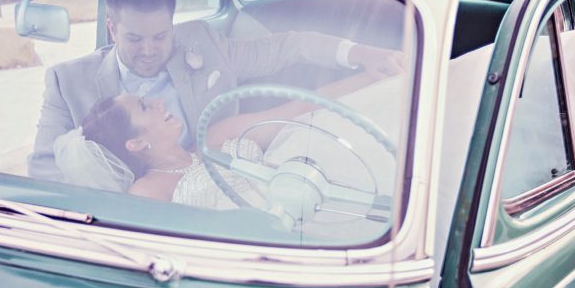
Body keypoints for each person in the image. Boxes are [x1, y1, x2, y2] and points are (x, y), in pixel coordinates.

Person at [28, 0, 403, 180]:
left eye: (160, 36)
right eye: (134, 38)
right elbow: (45, 177)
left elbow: (289, 47)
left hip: (244, 164)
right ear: (111, 29)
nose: (148, 50)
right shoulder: (67, 82)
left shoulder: (204, 43)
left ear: (173, 23)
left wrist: (361, 54)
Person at [78, 65, 383, 206]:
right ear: (136, 143)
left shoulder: (214, 135)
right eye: (145, 107)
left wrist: (372, 76)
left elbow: (299, 109)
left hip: (318, 192)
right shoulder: (147, 193)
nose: (159, 103)